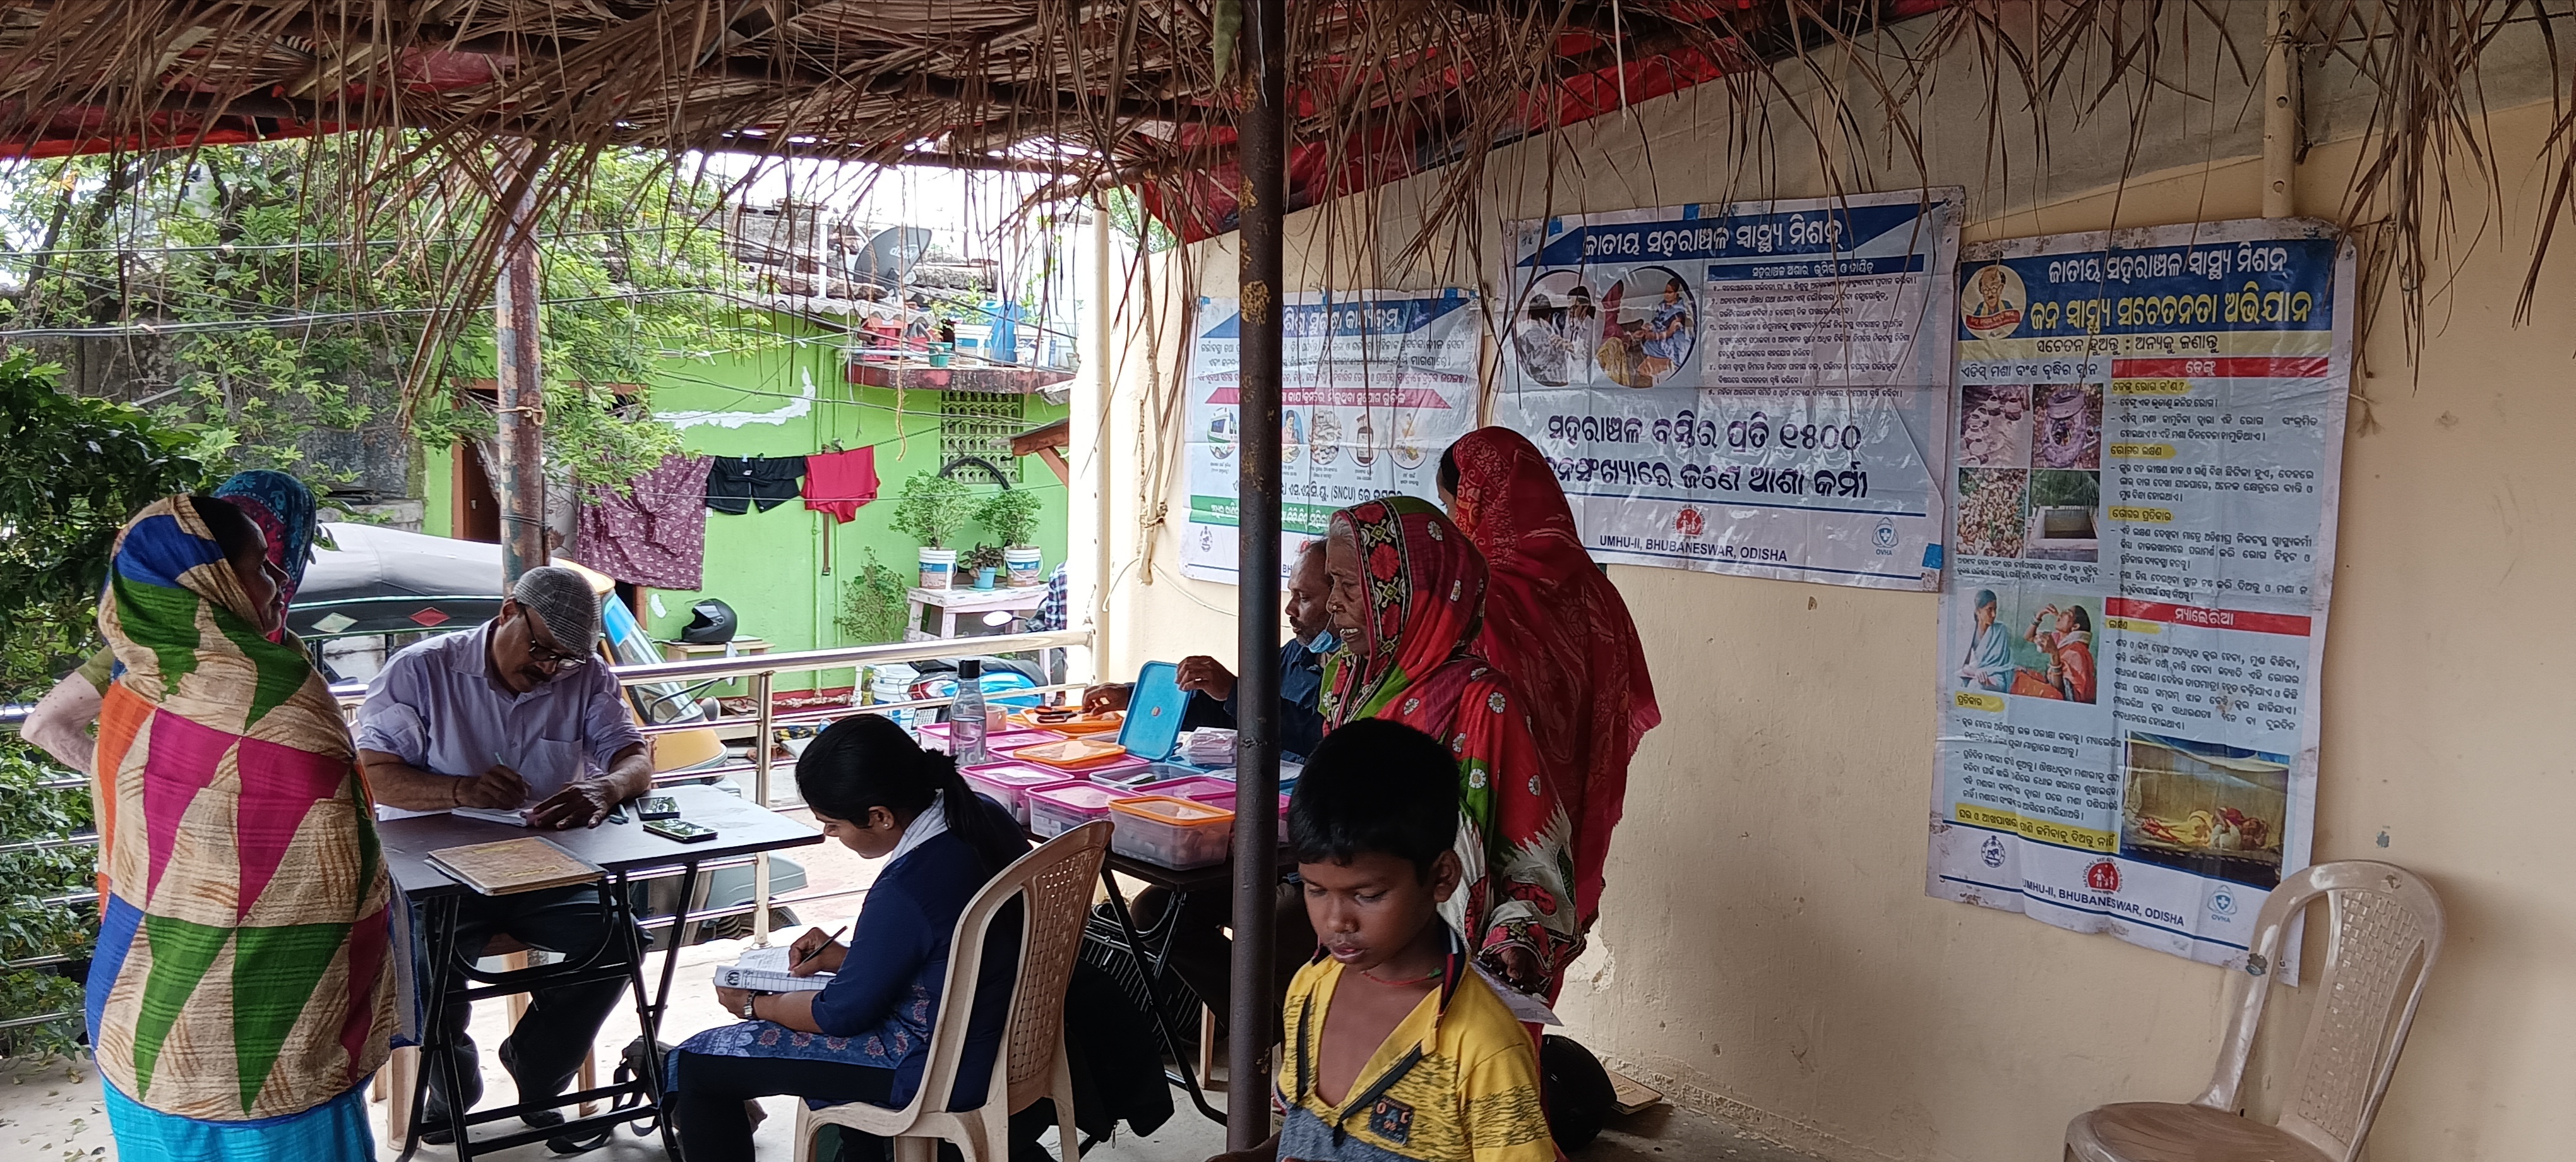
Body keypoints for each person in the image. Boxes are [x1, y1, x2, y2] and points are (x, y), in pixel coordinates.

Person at [87, 496, 393, 1158]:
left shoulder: (130, 689)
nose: (279, 582)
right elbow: (335, 863)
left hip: (139, 1009)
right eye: (260, 567)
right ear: (211, 582)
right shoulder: (276, 696)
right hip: (266, 1031)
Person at [352, 565, 655, 1137]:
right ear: (509, 612)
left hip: (542, 868)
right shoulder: (422, 670)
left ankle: (537, 1068)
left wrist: (608, 787)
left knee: (620, 939)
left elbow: (634, 756)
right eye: (542, 650)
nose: (550, 670)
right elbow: (373, 776)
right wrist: (458, 790)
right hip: (437, 871)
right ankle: (453, 1088)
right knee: (421, 959)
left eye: (565, 659)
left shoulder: (585, 675)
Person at [671, 714, 1029, 1161]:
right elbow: (947, 949)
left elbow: (839, 1015)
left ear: (880, 816)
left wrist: (755, 1005)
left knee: (695, 1064)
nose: (828, 834)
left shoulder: (907, 887)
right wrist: (845, 958)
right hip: (1006, 1036)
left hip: (934, 1065)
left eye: (834, 825)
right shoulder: (983, 815)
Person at [1208, 718, 1556, 1162]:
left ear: (1442, 877)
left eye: (1368, 895)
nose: (1337, 921)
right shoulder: (1309, 990)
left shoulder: (1483, 1046)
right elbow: (1311, 1130)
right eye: (1316, 890)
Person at [1319, 496, 1578, 1000]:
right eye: (1332, 582)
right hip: (1347, 942)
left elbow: (1535, 855)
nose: (1333, 602)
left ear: (1408, 592)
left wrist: (1517, 935)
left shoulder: (1483, 702)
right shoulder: (1344, 681)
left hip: (1446, 962)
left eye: (1350, 585)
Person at [1438, 428, 1661, 953]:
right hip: (1568, 839)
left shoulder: (1479, 603)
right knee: (1533, 969)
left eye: (1450, 508)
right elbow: (1616, 717)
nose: (1452, 524)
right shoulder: (1598, 594)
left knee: (1475, 982)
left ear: (1477, 505)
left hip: (1494, 830)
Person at [22, 469, 318, 776]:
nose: (282, 576)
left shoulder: (287, 651)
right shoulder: (146, 651)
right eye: (260, 561)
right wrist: (137, 788)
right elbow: (45, 727)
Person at [1083, 537, 1333, 761]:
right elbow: (1234, 715)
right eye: (1291, 594)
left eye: (1304, 598)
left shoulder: (1354, 670)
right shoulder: (1295, 655)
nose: (1289, 609)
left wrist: (1235, 692)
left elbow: (1319, 737)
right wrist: (1135, 696)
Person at [2024, 603, 2097, 703]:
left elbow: (2064, 694)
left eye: (2068, 613)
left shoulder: (2076, 652)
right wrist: (2038, 617)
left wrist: (2054, 654)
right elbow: (2029, 637)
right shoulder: (2058, 639)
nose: (2061, 613)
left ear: (2075, 626)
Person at [1957, 589, 2015, 691]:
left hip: (1997, 677)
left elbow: (2003, 665)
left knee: (1976, 686)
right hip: (1975, 674)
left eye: (1995, 609)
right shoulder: (1970, 631)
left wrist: (1984, 673)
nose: (1994, 615)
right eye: (1989, 610)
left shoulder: (2001, 630)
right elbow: (1963, 665)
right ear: (1978, 611)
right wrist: (1976, 672)